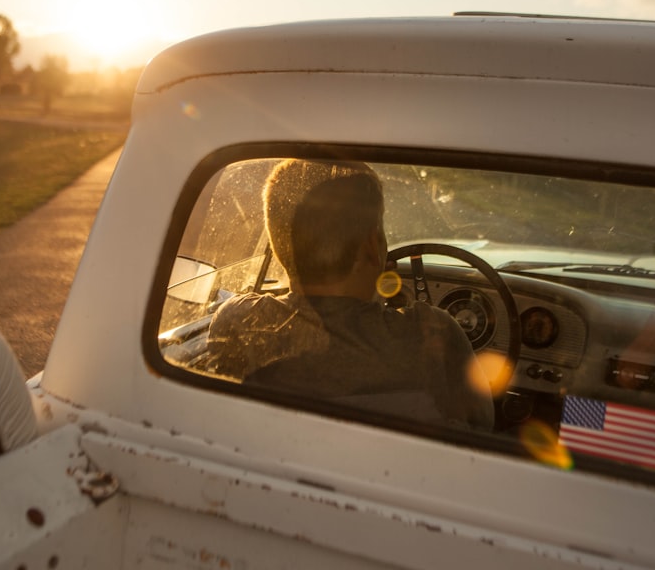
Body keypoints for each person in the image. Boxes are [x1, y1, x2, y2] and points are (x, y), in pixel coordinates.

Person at [206, 159, 495, 429]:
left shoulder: (238, 320)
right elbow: (482, 426)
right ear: (372, 244)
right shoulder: (435, 332)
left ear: (278, 244)